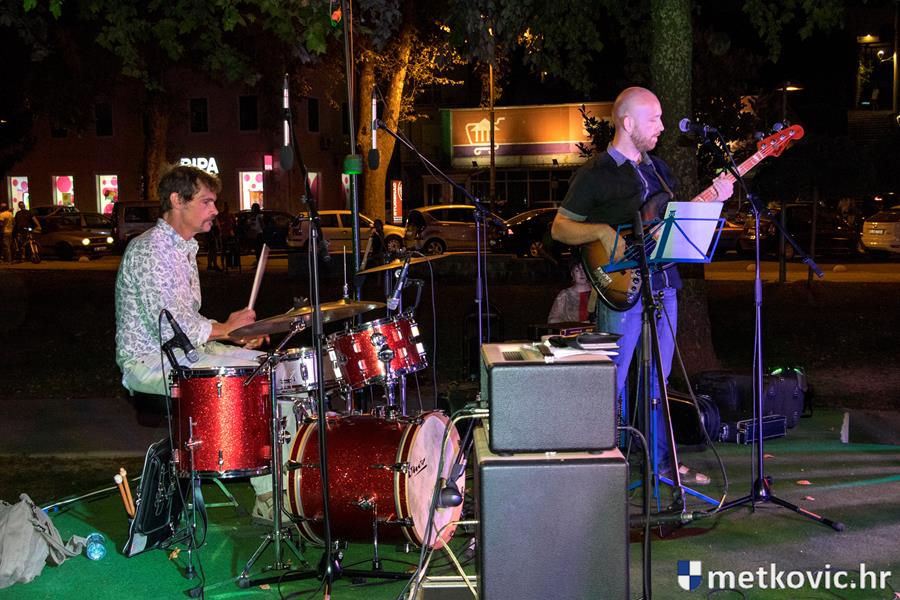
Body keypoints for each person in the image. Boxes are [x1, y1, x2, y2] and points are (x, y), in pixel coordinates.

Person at [551, 86, 733, 485]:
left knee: (658, 381)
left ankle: (660, 466)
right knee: (612, 380)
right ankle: (602, 469)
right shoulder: (596, 173)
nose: (662, 127)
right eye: (654, 119)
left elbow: (668, 226)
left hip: (664, 284)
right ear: (628, 122)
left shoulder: (659, 169)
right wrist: (601, 231)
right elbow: (560, 228)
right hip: (619, 289)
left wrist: (716, 199)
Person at [114, 165, 275, 519]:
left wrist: (236, 334)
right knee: (246, 380)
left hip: (183, 353)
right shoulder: (150, 251)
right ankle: (268, 497)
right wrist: (227, 330)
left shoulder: (183, 248)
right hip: (149, 362)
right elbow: (171, 328)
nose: (215, 210)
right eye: (207, 201)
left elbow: (188, 322)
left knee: (267, 369)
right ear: (177, 200)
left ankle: (282, 486)